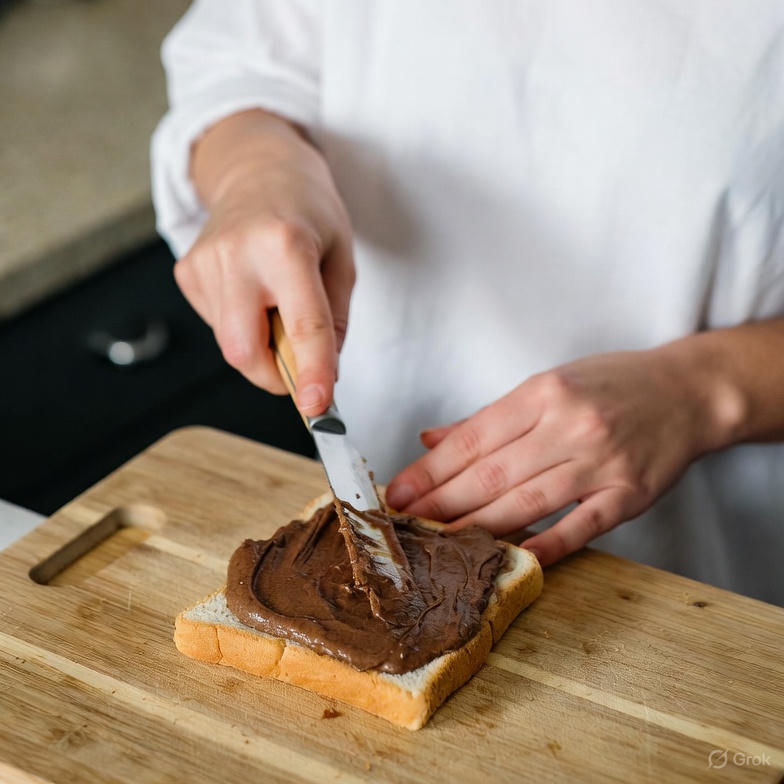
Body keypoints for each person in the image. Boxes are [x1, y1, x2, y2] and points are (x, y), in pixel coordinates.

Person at [152, 1, 784, 605]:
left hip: (708, 561)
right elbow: (234, 61)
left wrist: (703, 391)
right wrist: (255, 169)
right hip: (385, 454)